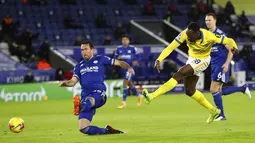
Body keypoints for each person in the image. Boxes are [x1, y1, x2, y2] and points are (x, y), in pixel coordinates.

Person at [142, 22, 238, 124]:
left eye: (190, 35)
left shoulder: (209, 36)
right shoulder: (185, 34)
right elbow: (171, 47)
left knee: (179, 74)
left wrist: (234, 47)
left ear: (197, 33)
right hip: (192, 59)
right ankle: (214, 111)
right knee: (189, 91)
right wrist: (159, 59)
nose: (187, 37)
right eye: (187, 34)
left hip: (203, 60)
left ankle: (152, 96)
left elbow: (229, 40)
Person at [59, 41, 135, 135]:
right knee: (83, 128)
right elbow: (73, 82)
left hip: (99, 94)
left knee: (88, 102)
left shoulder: (100, 59)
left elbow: (118, 63)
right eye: (82, 50)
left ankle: (79, 106)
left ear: (92, 50)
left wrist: (129, 68)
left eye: (86, 49)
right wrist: (65, 83)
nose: (84, 52)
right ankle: (108, 131)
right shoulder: (79, 66)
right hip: (85, 97)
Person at [205, 13, 252, 121]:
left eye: (210, 20)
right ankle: (242, 88)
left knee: (213, 89)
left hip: (221, 65)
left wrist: (226, 64)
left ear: (215, 21)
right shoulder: (207, 34)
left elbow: (231, 49)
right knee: (219, 91)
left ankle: (221, 115)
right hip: (214, 65)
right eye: (206, 20)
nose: (208, 22)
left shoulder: (220, 34)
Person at [114, 34, 143, 108]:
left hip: (130, 68)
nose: (124, 41)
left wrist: (136, 61)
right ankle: (139, 95)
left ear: (129, 41)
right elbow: (114, 58)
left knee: (125, 83)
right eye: (123, 40)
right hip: (122, 68)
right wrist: (118, 58)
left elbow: (139, 56)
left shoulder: (133, 48)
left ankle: (123, 102)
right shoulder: (118, 49)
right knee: (129, 84)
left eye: (126, 40)